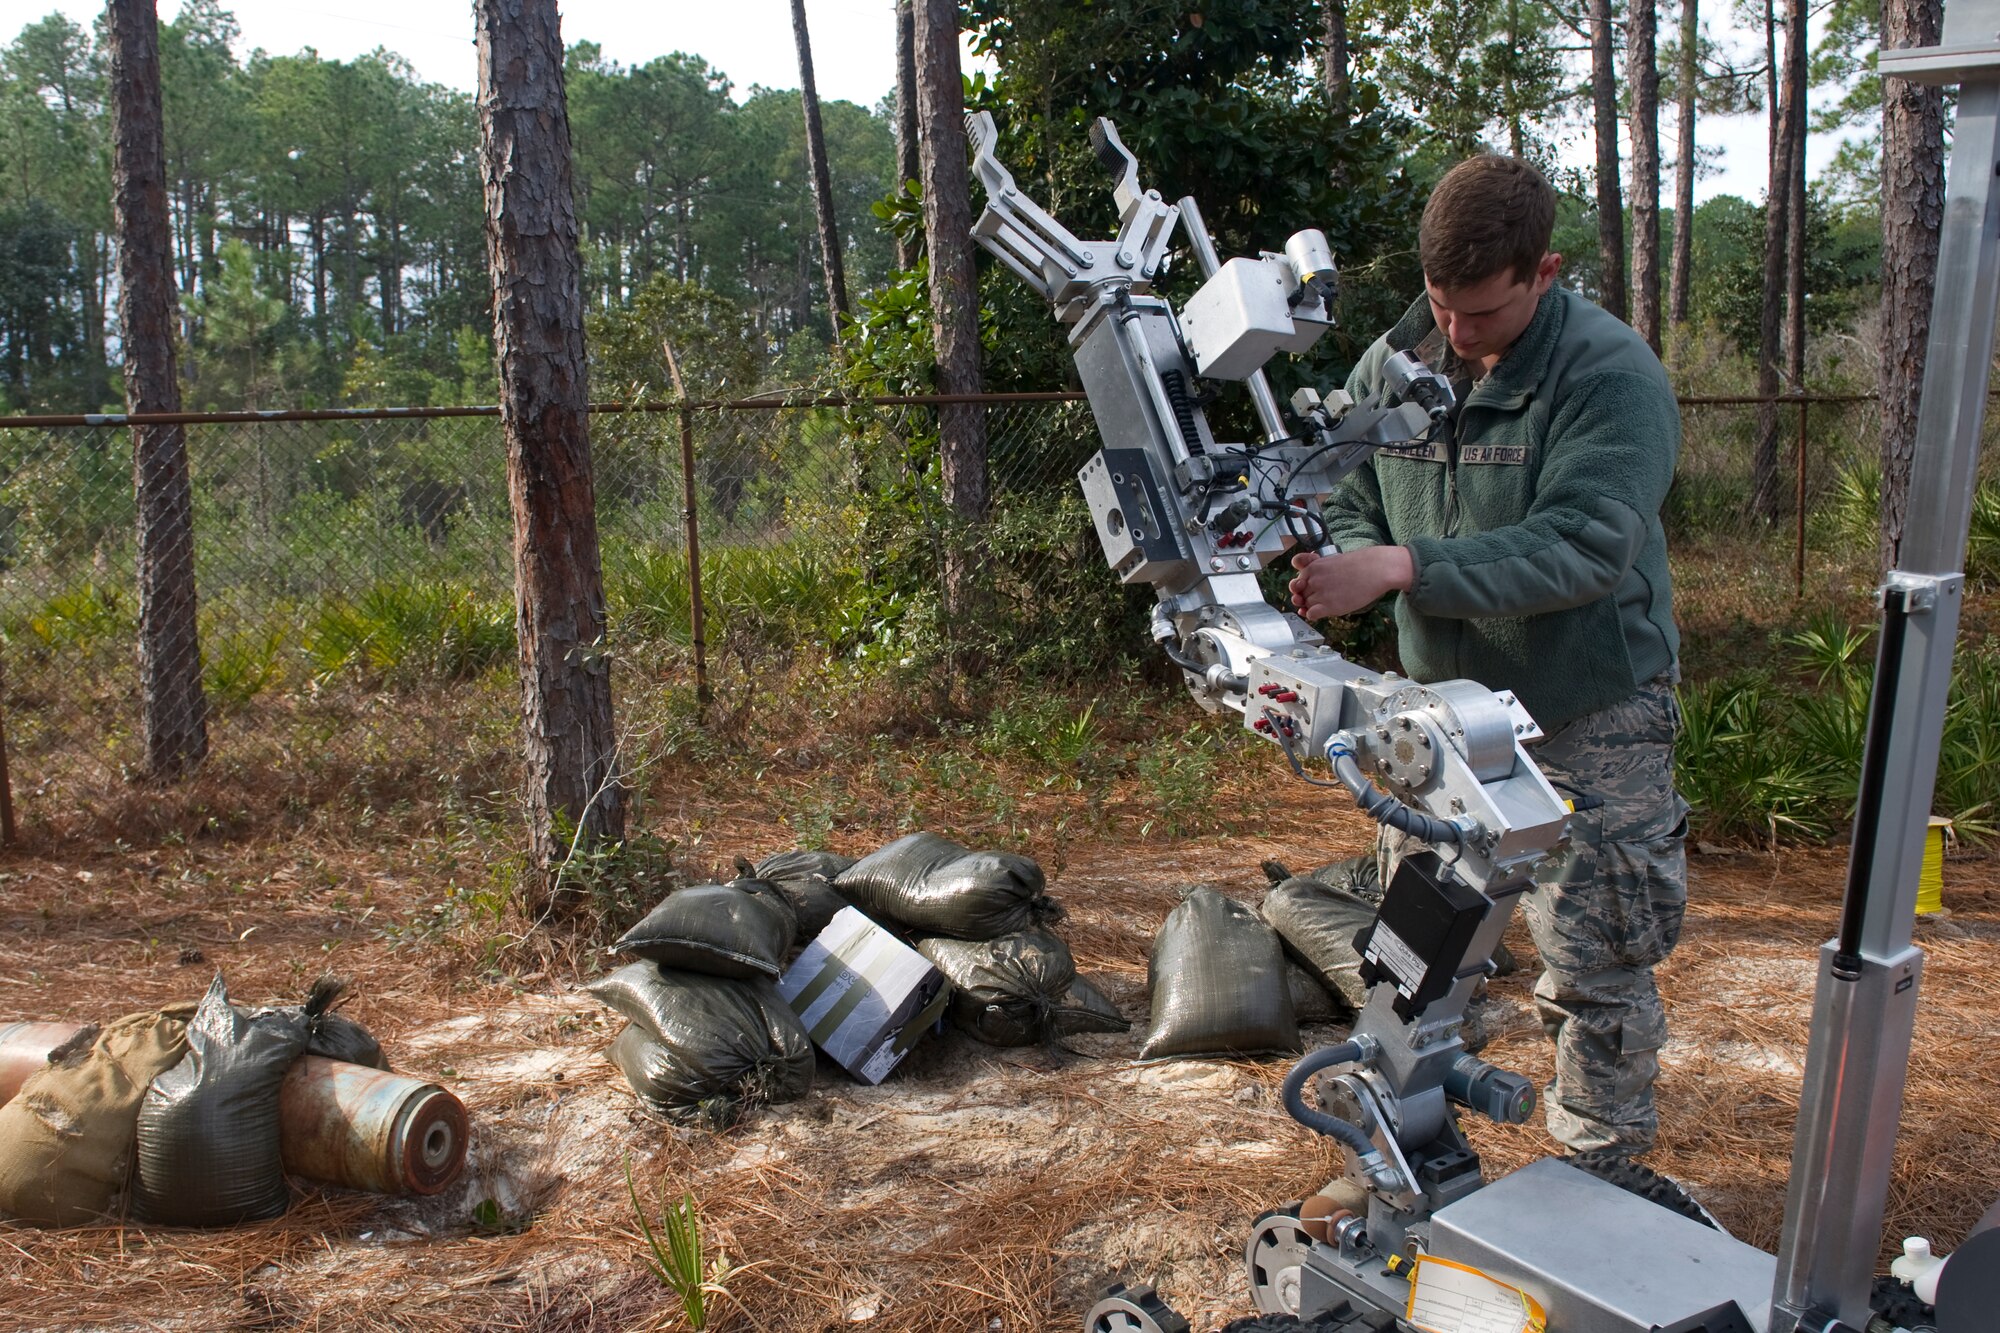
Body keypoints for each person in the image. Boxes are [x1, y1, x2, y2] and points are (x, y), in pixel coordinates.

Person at [1290, 154, 1689, 1157]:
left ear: (1542, 273)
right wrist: (1338, 549)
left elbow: (1584, 545)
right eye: (1440, 307)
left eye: (1483, 315)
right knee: (1412, 950)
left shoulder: (1606, 375)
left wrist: (1399, 565)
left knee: (1591, 955)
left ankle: (1599, 1168)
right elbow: (1337, 483)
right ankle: (1389, 1153)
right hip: (1437, 717)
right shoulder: (1398, 362)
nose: (1458, 338)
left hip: (1586, 708)